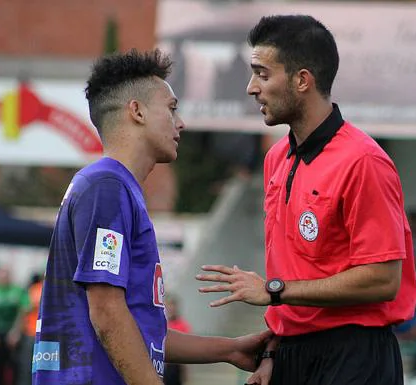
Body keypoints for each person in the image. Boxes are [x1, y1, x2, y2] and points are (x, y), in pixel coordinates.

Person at [196, 15, 416, 385]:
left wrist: (273, 290)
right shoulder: (275, 158)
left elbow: (382, 280)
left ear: (302, 80)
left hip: (354, 353)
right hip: (290, 354)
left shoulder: (364, 161)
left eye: (263, 74)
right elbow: (291, 266)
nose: (252, 88)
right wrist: (272, 353)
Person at [32, 49, 271, 385]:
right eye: (172, 109)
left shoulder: (113, 187)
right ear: (137, 111)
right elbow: (107, 312)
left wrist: (229, 349)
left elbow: (141, 332)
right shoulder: (107, 187)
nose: (181, 122)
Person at [0, 265, 29, 385]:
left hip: (12, 332)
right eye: (1, 276)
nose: (3, 278)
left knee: (14, 365)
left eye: (6, 275)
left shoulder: (17, 290)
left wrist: (16, 332)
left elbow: (22, 313)